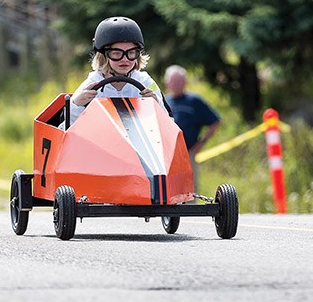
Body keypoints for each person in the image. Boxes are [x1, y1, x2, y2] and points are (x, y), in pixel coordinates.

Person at [63, 16, 163, 128]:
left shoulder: (146, 82)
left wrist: (156, 104)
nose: (125, 59)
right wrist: (76, 104)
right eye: (116, 53)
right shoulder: (91, 85)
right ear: (103, 56)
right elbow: (66, 129)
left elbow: (167, 122)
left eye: (131, 53)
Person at [164, 65, 221, 193]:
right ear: (167, 83)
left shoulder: (194, 101)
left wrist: (202, 142)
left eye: (179, 81)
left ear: (185, 82)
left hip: (188, 152)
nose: (176, 84)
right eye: (173, 81)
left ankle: (190, 213)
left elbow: (215, 121)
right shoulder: (163, 101)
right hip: (167, 154)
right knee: (168, 189)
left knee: (189, 189)